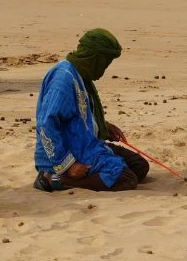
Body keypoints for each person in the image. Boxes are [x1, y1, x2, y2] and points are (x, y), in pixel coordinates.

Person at [33, 28, 149, 192]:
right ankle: (57, 179)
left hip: (84, 142)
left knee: (139, 167)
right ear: (94, 58)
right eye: (105, 62)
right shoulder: (64, 79)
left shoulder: (80, 74)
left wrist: (102, 126)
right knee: (126, 178)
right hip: (68, 152)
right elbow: (46, 125)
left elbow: (78, 115)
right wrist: (69, 165)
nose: (106, 67)